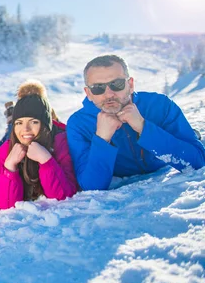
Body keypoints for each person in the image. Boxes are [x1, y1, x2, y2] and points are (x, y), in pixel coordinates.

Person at [67, 54, 205, 191]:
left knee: (189, 139)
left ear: (130, 84)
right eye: (98, 88)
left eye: (117, 84)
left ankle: (193, 134)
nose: (109, 94)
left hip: (160, 167)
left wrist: (143, 127)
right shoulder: (78, 124)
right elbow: (91, 186)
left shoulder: (160, 105)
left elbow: (198, 161)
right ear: (88, 93)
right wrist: (102, 139)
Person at [0, 80, 77, 209]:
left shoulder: (61, 143)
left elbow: (62, 198)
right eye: (19, 123)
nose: (25, 128)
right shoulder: (6, 150)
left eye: (33, 122)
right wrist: (10, 167)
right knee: (6, 138)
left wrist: (46, 161)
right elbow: (7, 206)